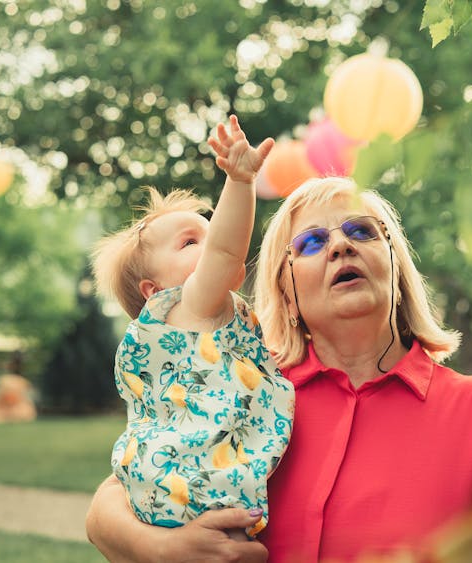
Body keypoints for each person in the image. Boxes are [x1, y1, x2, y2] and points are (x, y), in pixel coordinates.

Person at [86, 176, 472, 562]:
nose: (339, 247)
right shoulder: (249, 392)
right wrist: (162, 550)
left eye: (361, 232)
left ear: (394, 265)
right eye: (311, 242)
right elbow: (111, 501)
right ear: (286, 286)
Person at [90, 115, 294, 540]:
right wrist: (240, 181)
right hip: (203, 490)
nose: (211, 242)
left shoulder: (191, 330)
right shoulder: (187, 303)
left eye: (208, 233)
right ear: (155, 290)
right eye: (189, 242)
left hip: (170, 486)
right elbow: (224, 250)